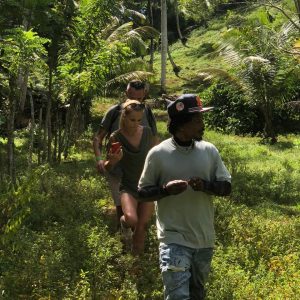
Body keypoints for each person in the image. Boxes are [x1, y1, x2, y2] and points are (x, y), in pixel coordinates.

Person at [137, 94, 232, 299]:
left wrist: (206, 186)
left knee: (197, 293)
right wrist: (165, 190)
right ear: (181, 124)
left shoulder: (209, 151)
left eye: (201, 118)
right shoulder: (158, 154)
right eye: (196, 120)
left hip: (204, 240)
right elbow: (142, 193)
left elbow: (227, 187)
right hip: (173, 239)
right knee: (178, 296)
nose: (202, 124)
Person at [93, 80, 158, 230]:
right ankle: (123, 239)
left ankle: (135, 241)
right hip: (117, 169)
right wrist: (99, 160)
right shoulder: (114, 111)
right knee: (121, 208)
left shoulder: (147, 112)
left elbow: (155, 139)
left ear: (144, 97)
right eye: (131, 97)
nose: (135, 101)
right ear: (125, 95)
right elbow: (98, 138)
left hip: (139, 170)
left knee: (141, 212)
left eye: (140, 98)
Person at [104, 99, 157, 255]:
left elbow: (156, 155)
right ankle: (123, 224)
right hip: (128, 185)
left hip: (148, 184)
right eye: (132, 119)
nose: (136, 123)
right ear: (124, 118)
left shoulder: (147, 132)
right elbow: (108, 167)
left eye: (139, 120)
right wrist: (112, 161)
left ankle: (135, 260)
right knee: (131, 219)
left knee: (142, 225)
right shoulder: (116, 137)